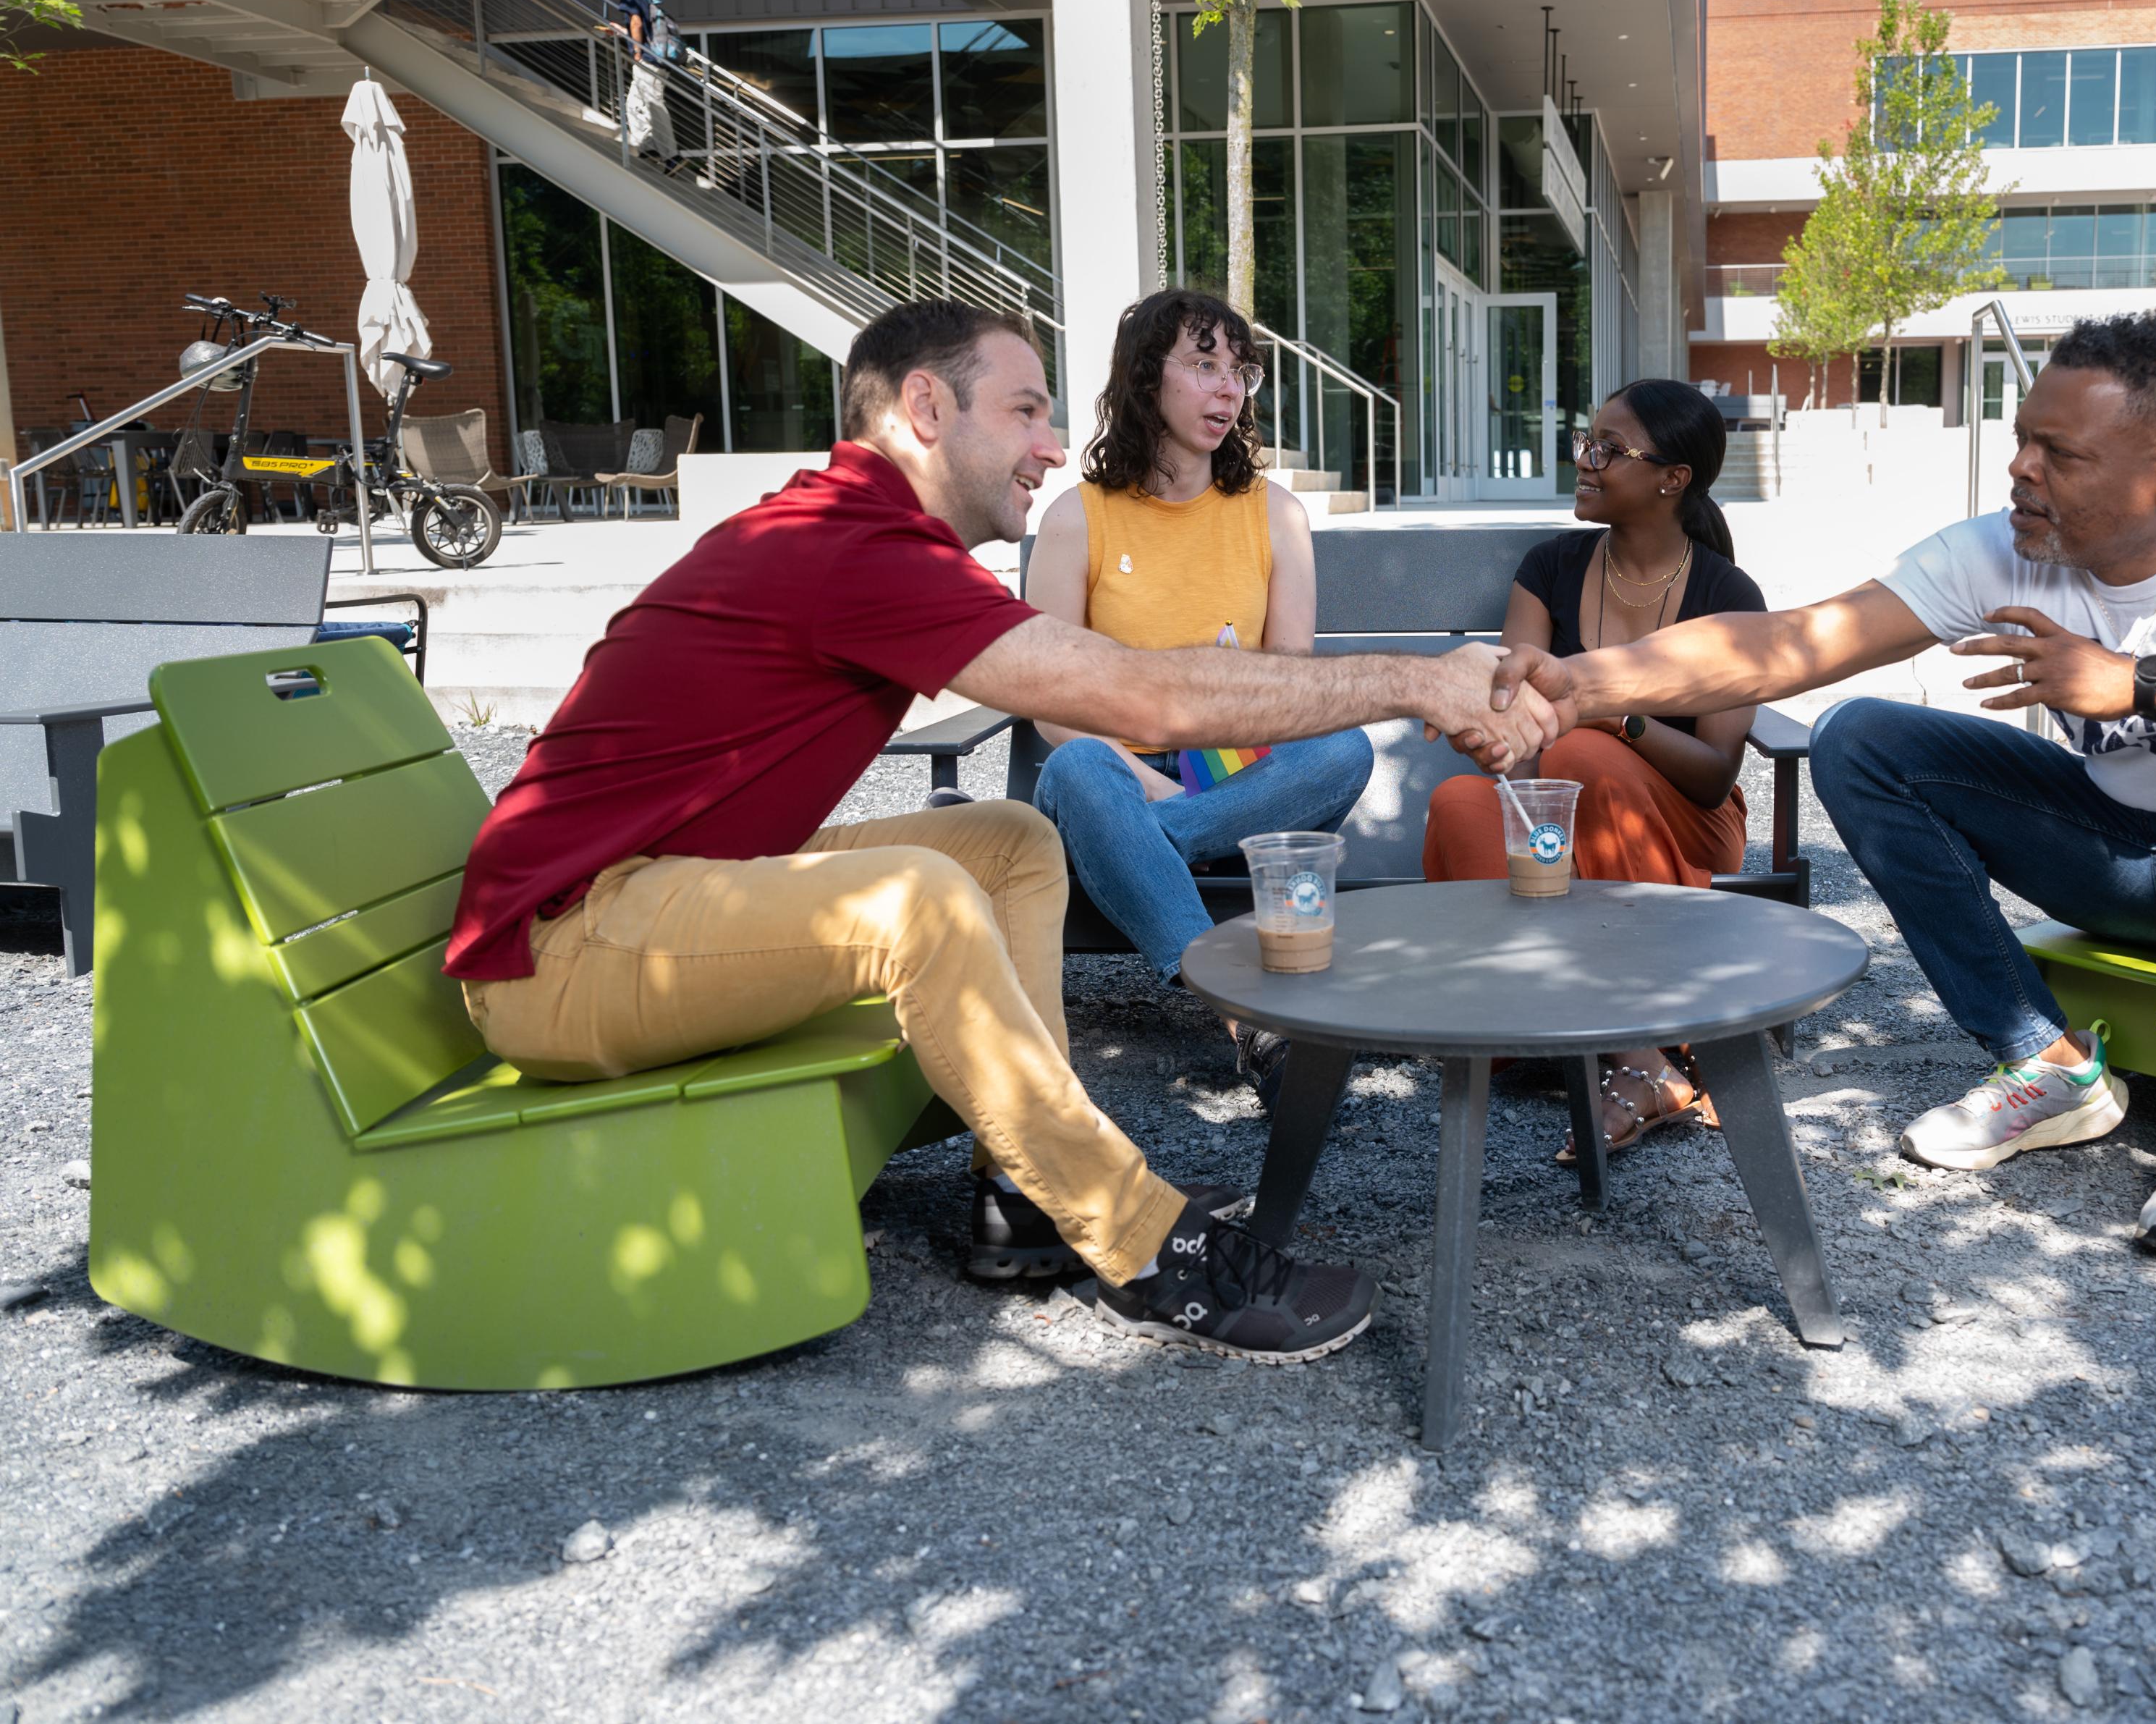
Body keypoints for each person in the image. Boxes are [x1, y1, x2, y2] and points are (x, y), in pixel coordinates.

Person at [443, 300, 1559, 1363]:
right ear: (925, 410)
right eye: (1025, 410)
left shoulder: (860, 533)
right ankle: (1136, 1243)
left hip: (661, 893)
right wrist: (1421, 680)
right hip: (562, 950)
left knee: (1011, 842)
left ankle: (1024, 1192)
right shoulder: (846, 545)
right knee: (918, 900)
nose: (1052, 444)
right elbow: (1139, 695)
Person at [1478, 313, 2156, 1263]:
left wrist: (2145, 685)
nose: (2021, 469)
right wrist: (1581, 685)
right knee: (1862, 739)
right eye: (2024, 438)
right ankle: (2045, 1062)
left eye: (2059, 454)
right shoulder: (2008, 543)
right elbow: (1788, 644)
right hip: (2127, 853)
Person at [1026, 291, 1375, 1073]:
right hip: (1111, 776)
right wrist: (1144, 783)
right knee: (1078, 766)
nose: (1229, 388)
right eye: (1204, 364)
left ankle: (1153, 845)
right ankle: (1245, 1018)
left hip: (1237, 779)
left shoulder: (1275, 515)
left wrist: (1177, 805)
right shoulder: (1078, 519)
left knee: (1345, 749)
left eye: (1240, 371)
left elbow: (1290, 692)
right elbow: (1049, 699)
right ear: (1147, 377)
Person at [1420, 380, 1762, 1163]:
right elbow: (1517, 733)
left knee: (1582, 754)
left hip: (1683, 826)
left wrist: (1614, 714)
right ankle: (1635, 1057)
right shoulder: (1551, 566)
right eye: (1587, 440)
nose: (1584, 460)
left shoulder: (1726, 593)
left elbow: (1714, 774)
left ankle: (1632, 1028)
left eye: (1609, 449)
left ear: (1672, 478)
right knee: (1462, 803)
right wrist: (1488, 733)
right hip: (1560, 810)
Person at [609, 0, 680, 175]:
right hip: (655, 57)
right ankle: (650, 148)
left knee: (653, 104)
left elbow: (637, 23)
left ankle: (672, 156)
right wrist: (622, 31)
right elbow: (640, 25)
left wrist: (637, 53)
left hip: (648, 59)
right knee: (633, 104)